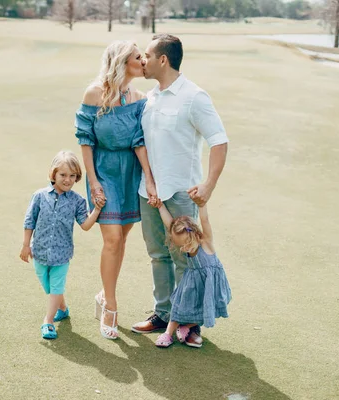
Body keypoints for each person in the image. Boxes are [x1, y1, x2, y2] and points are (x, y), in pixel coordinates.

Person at [132, 34, 229, 348]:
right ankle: (163, 314)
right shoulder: (149, 98)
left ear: (163, 59)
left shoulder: (194, 96)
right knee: (158, 255)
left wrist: (208, 185)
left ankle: (192, 322)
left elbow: (219, 140)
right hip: (150, 193)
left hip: (182, 194)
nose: (141, 61)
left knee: (188, 260)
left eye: (146, 55)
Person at [75, 40, 159, 340]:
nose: (144, 61)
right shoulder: (95, 93)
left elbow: (138, 141)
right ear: (123, 62)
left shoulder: (139, 97)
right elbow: (85, 138)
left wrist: (148, 177)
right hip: (103, 170)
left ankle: (102, 294)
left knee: (121, 237)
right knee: (111, 238)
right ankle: (110, 305)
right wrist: (93, 180)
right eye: (139, 57)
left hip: (130, 173)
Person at [20, 151, 102, 340]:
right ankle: (62, 309)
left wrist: (97, 209)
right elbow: (29, 221)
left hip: (62, 255)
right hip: (39, 251)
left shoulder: (77, 201)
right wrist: (26, 245)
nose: (67, 180)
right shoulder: (39, 196)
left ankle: (48, 321)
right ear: (53, 174)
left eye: (72, 176)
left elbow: (85, 225)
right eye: (63, 175)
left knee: (56, 288)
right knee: (48, 286)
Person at [151, 203, 232, 348]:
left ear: (194, 233)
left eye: (186, 244)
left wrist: (202, 205)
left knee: (208, 308)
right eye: (181, 246)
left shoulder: (206, 242)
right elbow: (169, 223)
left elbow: (205, 220)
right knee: (178, 306)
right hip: (191, 282)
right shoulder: (182, 238)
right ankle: (168, 334)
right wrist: (160, 206)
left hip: (209, 283)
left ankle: (186, 327)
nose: (184, 249)